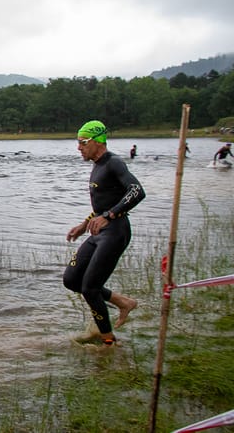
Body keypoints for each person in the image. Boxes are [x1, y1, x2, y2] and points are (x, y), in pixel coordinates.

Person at [64, 120, 144, 346]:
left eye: (83, 142)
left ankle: (108, 341)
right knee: (71, 279)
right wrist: (84, 224)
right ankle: (122, 302)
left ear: (98, 141)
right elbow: (104, 205)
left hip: (115, 232)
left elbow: (137, 191)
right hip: (99, 233)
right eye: (78, 143)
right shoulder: (97, 165)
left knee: (90, 288)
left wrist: (109, 216)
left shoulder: (113, 163)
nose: (79, 147)